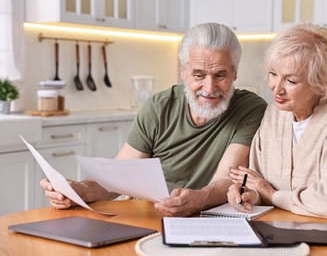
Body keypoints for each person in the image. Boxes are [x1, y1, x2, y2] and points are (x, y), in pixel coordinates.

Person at [40, 22, 267, 217]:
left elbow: (226, 178)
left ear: (234, 73)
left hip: (209, 217)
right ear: (184, 71)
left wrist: (198, 199)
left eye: (220, 75)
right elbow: (120, 174)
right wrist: (79, 190)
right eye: (199, 74)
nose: (209, 87)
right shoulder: (159, 106)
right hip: (148, 215)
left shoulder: (250, 109)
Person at [227, 22, 327, 248]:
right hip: (293, 233)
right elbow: (258, 177)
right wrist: (250, 194)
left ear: (321, 83)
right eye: (273, 74)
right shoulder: (274, 114)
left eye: (291, 81)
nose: (276, 88)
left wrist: (272, 194)